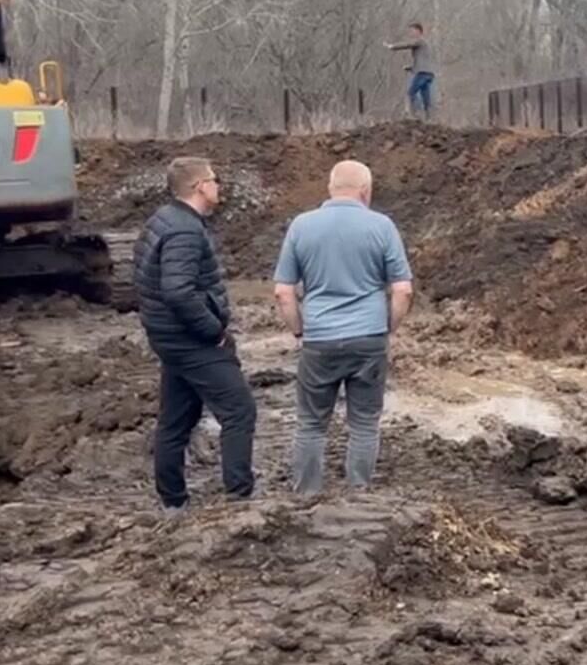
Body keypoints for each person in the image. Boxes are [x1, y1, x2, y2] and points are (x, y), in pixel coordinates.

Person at [273, 161, 414, 496]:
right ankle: (358, 493)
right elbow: (403, 290)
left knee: (310, 423)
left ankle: (306, 494)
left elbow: (283, 292)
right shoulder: (382, 226)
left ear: (329, 188)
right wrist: (386, 328)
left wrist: (299, 331)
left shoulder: (301, 226)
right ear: (366, 191)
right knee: (364, 423)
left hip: (320, 339)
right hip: (368, 338)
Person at [133, 157, 257, 512]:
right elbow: (177, 291)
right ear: (200, 186)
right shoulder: (185, 231)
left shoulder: (163, 220)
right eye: (214, 180)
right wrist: (213, 331)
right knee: (239, 410)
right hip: (192, 340)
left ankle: (173, 501)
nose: (219, 186)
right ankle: (239, 497)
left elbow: (145, 280)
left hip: (169, 339)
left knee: (177, 418)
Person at [386, 23, 436, 121]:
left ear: (418, 31)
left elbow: (408, 45)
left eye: (412, 31)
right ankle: (429, 119)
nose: (410, 33)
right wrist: (410, 68)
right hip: (429, 74)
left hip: (422, 73)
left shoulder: (420, 41)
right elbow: (422, 61)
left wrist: (392, 46)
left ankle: (416, 114)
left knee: (411, 93)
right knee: (426, 97)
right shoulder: (425, 45)